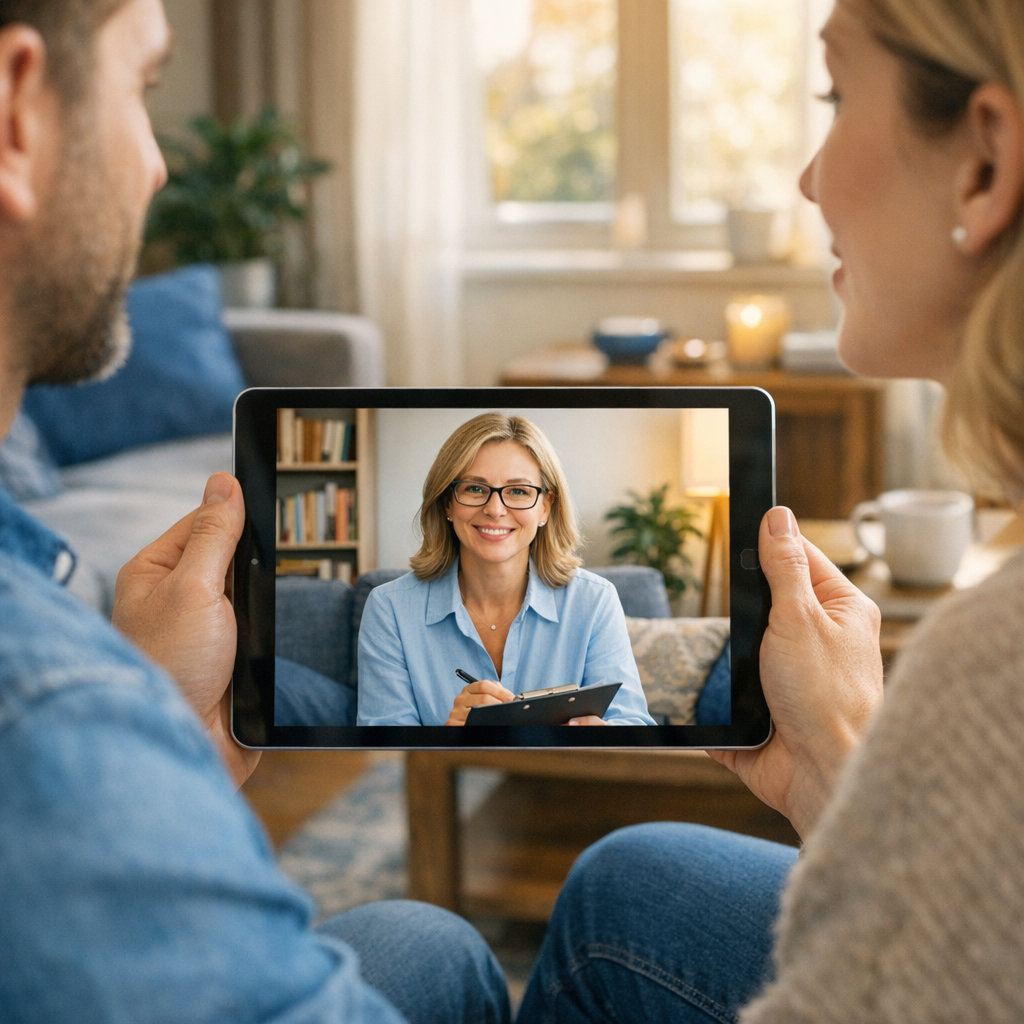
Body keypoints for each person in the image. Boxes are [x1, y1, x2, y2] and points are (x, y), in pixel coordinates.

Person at [0, 2, 510, 1021]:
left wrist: (166, 735)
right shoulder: (51, 708)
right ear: (18, 111)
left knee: (427, 936)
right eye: (143, 88)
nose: (156, 165)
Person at [516, 0, 1024, 1020]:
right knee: (625, 879)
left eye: (836, 97)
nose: (806, 177)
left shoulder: (991, 663)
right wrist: (839, 760)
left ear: (984, 160)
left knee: (429, 951)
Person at [357, 412, 656, 726]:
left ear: (545, 507)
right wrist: (448, 740)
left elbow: (634, 725)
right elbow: (384, 756)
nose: (495, 509)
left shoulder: (595, 601)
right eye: (474, 488)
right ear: (447, 502)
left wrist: (604, 739)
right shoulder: (389, 609)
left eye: (518, 491)